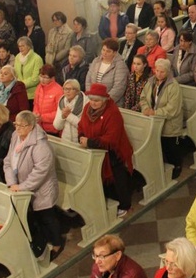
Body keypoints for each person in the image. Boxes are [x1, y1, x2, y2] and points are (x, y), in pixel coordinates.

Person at [4, 110, 63, 259]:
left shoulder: (41, 146)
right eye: (16, 125)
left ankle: (57, 243)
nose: (17, 129)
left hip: (42, 189)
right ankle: (43, 241)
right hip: (21, 186)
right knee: (36, 219)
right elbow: (8, 161)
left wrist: (22, 187)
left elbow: (40, 172)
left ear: (31, 126)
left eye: (21, 126)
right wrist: (12, 183)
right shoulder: (15, 137)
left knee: (47, 217)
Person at [78, 84, 135, 218]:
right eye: (91, 100)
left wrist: (90, 142)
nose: (93, 103)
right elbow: (82, 124)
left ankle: (125, 205)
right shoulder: (87, 108)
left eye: (97, 101)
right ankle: (107, 197)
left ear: (104, 100)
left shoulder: (112, 113)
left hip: (114, 151)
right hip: (95, 149)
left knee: (118, 177)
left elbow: (112, 138)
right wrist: (81, 136)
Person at [140, 59, 187, 179]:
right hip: (153, 120)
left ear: (168, 72)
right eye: (157, 71)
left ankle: (177, 166)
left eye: (162, 72)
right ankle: (161, 167)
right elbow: (143, 98)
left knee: (170, 148)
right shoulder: (150, 82)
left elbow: (173, 109)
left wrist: (155, 112)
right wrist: (146, 109)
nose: (159, 74)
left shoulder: (173, 86)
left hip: (169, 123)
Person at [86, 38, 129, 107]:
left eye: (108, 51)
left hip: (110, 104)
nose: (104, 53)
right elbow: (88, 80)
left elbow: (119, 87)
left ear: (115, 53)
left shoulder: (120, 65)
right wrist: (91, 97)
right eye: (103, 50)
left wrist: (104, 101)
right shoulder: (96, 61)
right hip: (93, 101)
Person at [33, 65, 63, 136]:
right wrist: (36, 115)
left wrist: (42, 117)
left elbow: (59, 112)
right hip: (39, 126)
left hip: (52, 129)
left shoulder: (58, 90)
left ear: (52, 78)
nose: (42, 80)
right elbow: (36, 104)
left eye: (45, 77)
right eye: (41, 76)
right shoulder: (39, 87)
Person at [53, 79, 86, 144]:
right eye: (65, 89)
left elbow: (84, 126)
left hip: (80, 141)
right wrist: (62, 116)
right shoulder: (62, 102)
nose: (67, 91)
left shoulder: (85, 102)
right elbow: (57, 126)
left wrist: (69, 115)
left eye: (70, 89)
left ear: (77, 91)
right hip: (65, 140)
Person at [14, 36, 43, 106]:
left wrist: (20, 84)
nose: (20, 48)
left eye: (23, 46)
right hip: (20, 93)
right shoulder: (17, 57)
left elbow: (36, 78)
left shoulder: (37, 59)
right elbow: (15, 74)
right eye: (19, 46)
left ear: (29, 46)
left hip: (32, 95)